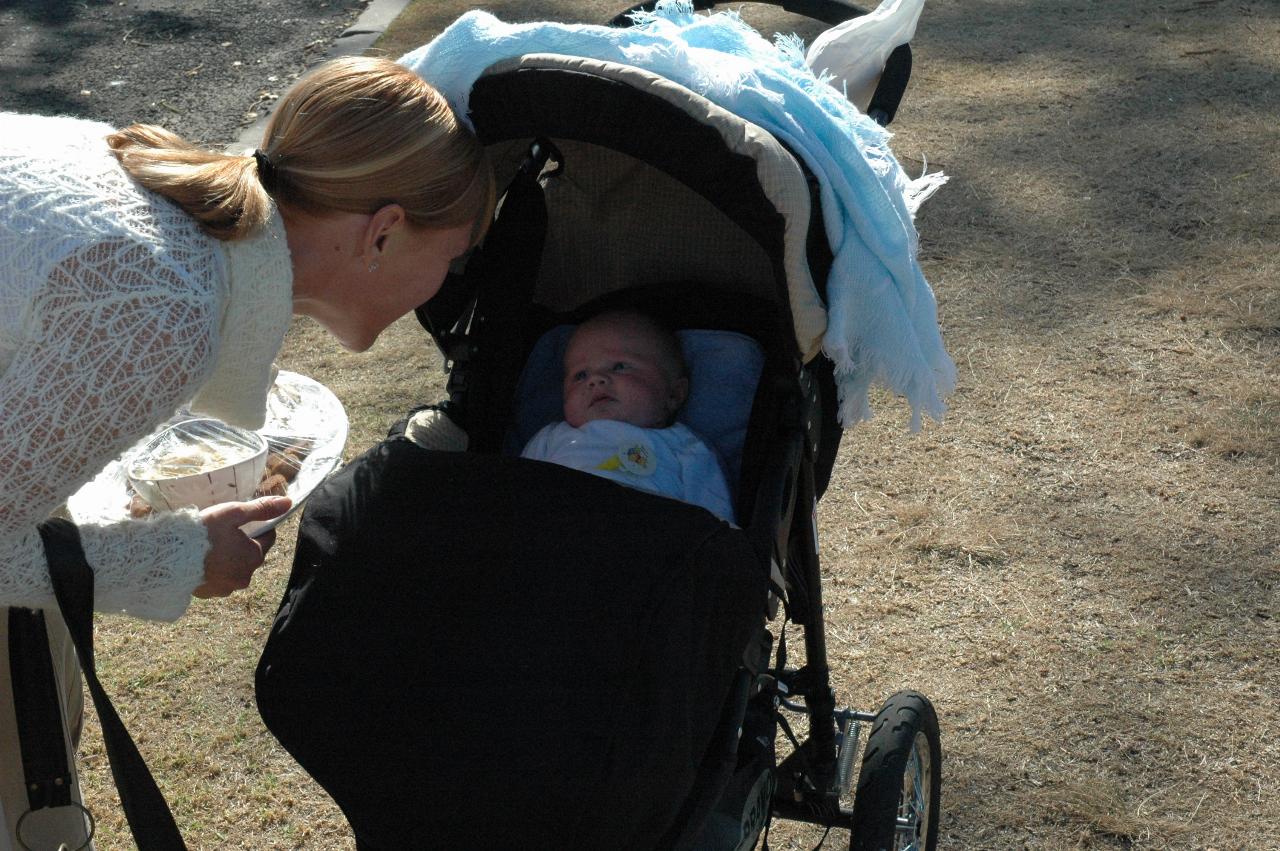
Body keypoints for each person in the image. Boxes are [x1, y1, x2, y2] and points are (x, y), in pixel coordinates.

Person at [0, 55, 494, 849]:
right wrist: (173, 558)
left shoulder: (156, 220)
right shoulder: (163, 304)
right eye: (454, 256)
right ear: (385, 231)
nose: (445, 286)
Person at [520, 310, 735, 523]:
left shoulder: (685, 447)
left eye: (619, 366)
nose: (595, 380)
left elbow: (716, 524)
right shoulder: (549, 439)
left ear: (673, 394)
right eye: (580, 375)